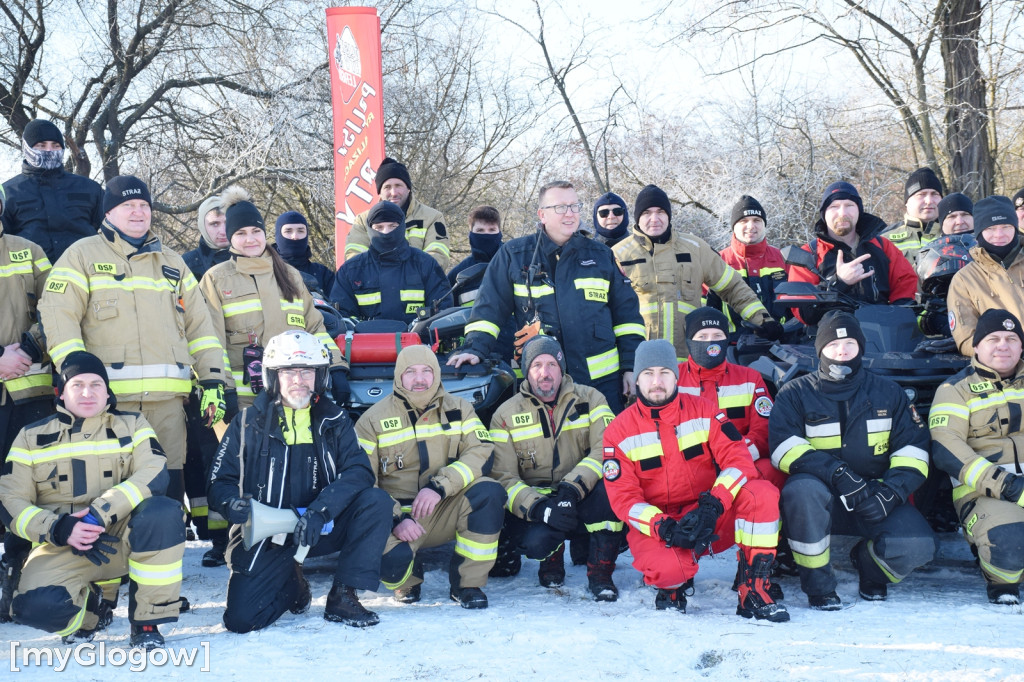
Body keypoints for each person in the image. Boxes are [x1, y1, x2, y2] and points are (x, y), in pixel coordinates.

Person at [38, 175, 227, 508]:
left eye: (144, 205)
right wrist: (76, 377)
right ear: (108, 213)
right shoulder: (80, 256)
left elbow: (201, 327)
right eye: (128, 205)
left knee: (165, 494)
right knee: (106, 492)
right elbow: (58, 316)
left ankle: (162, 556)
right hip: (107, 404)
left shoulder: (173, 262)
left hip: (168, 407)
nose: (139, 212)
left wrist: (212, 378)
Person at [208, 331, 392, 630]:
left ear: (320, 377)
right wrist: (230, 504)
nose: (298, 380)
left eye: (307, 371)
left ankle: (343, 596)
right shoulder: (245, 424)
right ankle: (292, 583)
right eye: (289, 372)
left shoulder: (336, 420)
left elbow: (359, 471)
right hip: (268, 533)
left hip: (321, 526)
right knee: (242, 620)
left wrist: (322, 511)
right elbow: (219, 481)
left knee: (375, 502)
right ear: (272, 377)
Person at [0, 352, 185, 649]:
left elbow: (155, 472)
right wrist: (60, 528)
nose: (88, 392)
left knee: (162, 513)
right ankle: (94, 610)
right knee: (32, 609)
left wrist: (98, 515)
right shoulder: (30, 436)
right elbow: (11, 501)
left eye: (96, 384)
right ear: (61, 391)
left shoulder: (133, 424)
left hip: (124, 539)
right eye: (78, 385)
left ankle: (147, 623)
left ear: (107, 390)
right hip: (62, 543)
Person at [603, 339, 789, 621]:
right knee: (670, 573)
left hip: (708, 514)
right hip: (662, 524)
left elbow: (738, 458)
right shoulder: (617, 431)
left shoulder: (704, 410)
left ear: (675, 376)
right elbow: (624, 500)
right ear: (637, 380)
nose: (657, 381)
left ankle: (754, 587)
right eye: (648, 373)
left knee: (760, 492)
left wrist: (714, 504)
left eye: (664, 372)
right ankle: (673, 588)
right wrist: (663, 527)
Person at [769, 311, 935, 610]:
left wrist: (892, 492)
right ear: (820, 350)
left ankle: (870, 568)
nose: (842, 350)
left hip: (874, 494)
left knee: (918, 546)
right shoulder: (795, 393)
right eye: (833, 344)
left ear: (861, 347)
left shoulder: (890, 393)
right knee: (801, 491)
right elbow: (783, 448)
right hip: (820, 494)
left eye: (849, 343)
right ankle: (819, 587)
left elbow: (914, 450)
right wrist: (837, 473)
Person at [449, 180, 645, 413]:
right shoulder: (514, 256)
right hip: (541, 386)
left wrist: (630, 366)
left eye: (574, 206)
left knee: (603, 448)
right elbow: (488, 311)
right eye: (560, 207)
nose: (570, 213)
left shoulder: (602, 256)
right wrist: (474, 348)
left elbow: (628, 318)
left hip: (601, 387)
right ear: (542, 214)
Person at [355, 345, 506, 609]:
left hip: (444, 505)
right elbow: (363, 481)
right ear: (398, 377)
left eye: (427, 371)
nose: (420, 379)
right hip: (397, 517)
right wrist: (395, 518)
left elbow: (481, 451)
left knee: (489, 492)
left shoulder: (460, 408)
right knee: (391, 565)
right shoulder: (371, 420)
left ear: (436, 374)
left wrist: (439, 487)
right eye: (411, 372)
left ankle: (467, 584)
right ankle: (408, 580)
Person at [488, 336, 623, 600]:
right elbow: (502, 476)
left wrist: (572, 490)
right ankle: (551, 560)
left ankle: (601, 574)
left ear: (562, 368)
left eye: (552, 364)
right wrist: (540, 508)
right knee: (535, 541)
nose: (545, 372)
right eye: (537, 365)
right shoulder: (504, 414)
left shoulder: (592, 399)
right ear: (527, 371)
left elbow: (606, 450)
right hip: (540, 503)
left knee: (612, 488)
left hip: (581, 493)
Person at [200, 186, 349, 416]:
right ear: (230, 238)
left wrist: (336, 367)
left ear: (264, 233)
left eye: (255, 231)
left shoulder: (290, 275)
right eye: (240, 234)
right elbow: (211, 342)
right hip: (245, 403)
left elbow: (315, 328)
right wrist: (225, 389)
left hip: (296, 398)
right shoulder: (216, 279)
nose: (250, 239)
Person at [613, 185, 783, 361]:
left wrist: (762, 320)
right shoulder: (618, 255)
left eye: (661, 211)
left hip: (691, 365)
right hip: (639, 364)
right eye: (647, 212)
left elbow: (732, 287)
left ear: (669, 215)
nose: (654, 219)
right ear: (637, 217)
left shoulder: (696, 248)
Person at [930, 310, 1024, 604]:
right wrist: (1008, 485)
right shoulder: (954, 390)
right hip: (987, 493)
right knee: (1010, 545)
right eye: (993, 338)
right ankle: (1001, 581)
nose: (1003, 345)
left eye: (1011, 339)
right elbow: (947, 450)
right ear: (977, 346)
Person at [0, 184, 57, 623]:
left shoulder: (28, 250)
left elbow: (56, 306)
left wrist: (27, 351)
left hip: (30, 394)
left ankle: (24, 568)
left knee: (27, 488)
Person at [677, 307, 784, 489]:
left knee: (773, 472)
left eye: (717, 335)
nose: (710, 342)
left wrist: (734, 457)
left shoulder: (750, 378)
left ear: (726, 338)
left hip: (740, 462)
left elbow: (764, 431)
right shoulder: (671, 379)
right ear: (689, 340)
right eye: (702, 337)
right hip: (688, 467)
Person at [181, 193, 231, 566]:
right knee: (199, 458)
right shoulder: (185, 265)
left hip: (237, 377)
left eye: (227, 222)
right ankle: (211, 536)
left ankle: (228, 534)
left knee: (227, 456)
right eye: (213, 223)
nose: (222, 230)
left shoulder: (250, 259)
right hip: (194, 376)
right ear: (201, 224)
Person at [788, 181, 917, 324]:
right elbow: (804, 313)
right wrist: (839, 282)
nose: (842, 213)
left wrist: (896, 315)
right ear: (824, 214)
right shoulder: (808, 254)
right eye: (834, 207)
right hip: (831, 338)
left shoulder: (882, 246)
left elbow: (905, 282)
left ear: (859, 210)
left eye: (849, 205)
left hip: (883, 333)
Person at [330, 200, 451, 324]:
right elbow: (341, 318)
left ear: (402, 227)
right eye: (379, 227)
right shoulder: (351, 271)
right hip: (366, 342)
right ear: (370, 230)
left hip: (418, 342)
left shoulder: (426, 265)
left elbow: (442, 311)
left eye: (393, 226)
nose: (386, 232)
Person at [1, 119, 103, 264]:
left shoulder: (90, 188)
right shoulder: (8, 192)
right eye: (41, 145)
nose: (49, 150)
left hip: (85, 274)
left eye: (55, 146)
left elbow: (111, 233)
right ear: (27, 148)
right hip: (30, 278)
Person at [948, 195, 1024, 356]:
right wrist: (1008, 356)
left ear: (1015, 228)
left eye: (1006, 226)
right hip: (1002, 366)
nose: (999, 234)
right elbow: (966, 338)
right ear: (979, 232)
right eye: (990, 228)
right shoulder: (964, 280)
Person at [343, 157, 450, 269]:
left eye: (398, 186)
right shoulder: (362, 220)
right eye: (387, 187)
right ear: (379, 192)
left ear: (408, 188)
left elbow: (438, 258)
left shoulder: (433, 217)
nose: (393, 193)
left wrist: (404, 276)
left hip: (419, 285)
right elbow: (354, 260)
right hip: (375, 286)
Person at [707, 195, 790, 335]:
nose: (751, 226)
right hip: (732, 347)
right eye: (743, 221)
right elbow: (706, 310)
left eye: (757, 220)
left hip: (783, 343)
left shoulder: (784, 258)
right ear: (734, 227)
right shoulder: (717, 261)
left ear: (764, 225)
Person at [446, 206, 515, 364]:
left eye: (492, 230)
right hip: (476, 357)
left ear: (499, 231)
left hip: (517, 352)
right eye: (480, 230)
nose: (487, 235)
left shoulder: (516, 265)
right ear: (470, 232)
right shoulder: (457, 275)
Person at [883, 167, 944, 269]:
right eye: (921, 195)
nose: (929, 201)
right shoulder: (884, 239)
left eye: (934, 194)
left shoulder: (953, 234)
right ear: (907, 201)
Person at [272, 210, 334, 295]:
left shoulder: (323, 274)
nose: (295, 236)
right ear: (278, 234)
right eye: (288, 231)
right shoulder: (266, 271)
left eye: (300, 231)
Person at [182, 195, 230, 279]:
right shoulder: (187, 263)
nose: (223, 231)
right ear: (202, 226)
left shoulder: (247, 256)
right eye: (215, 224)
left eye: (227, 222)